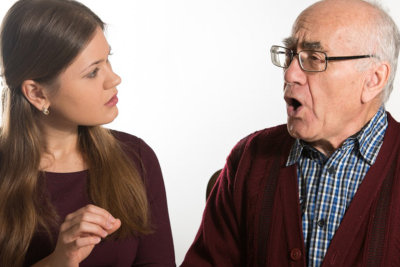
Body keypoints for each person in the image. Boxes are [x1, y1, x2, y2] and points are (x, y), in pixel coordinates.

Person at [181, 0, 400, 266]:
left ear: (373, 79)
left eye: (315, 58)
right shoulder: (250, 158)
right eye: (290, 55)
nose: (290, 73)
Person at [0, 0, 175, 266]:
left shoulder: (136, 157)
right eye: (93, 72)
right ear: (37, 93)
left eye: (108, 60)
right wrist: (58, 261)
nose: (114, 79)